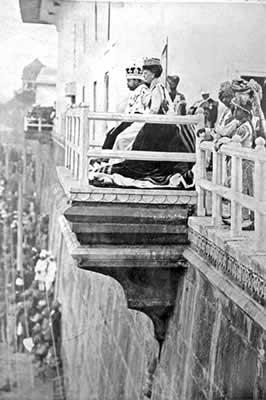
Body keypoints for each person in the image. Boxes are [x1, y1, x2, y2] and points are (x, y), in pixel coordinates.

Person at [91, 57, 195, 188]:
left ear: (153, 74)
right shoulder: (154, 88)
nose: (143, 75)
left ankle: (119, 162)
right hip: (156, 125)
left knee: (125, 138)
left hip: (160, 127)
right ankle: (116, 159)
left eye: (146, 73)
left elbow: (154, 111)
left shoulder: (157, 88)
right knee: (122, 137)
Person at [102, 64, 148, 150]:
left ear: (137, 81)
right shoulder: (135, 92)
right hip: (129, 119)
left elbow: (140, 110)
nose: (127, 84)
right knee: (110, 134)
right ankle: (104, 156)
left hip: (136, 120)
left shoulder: (143, 91)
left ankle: (106, 157)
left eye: (129, 81)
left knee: (115, 136)